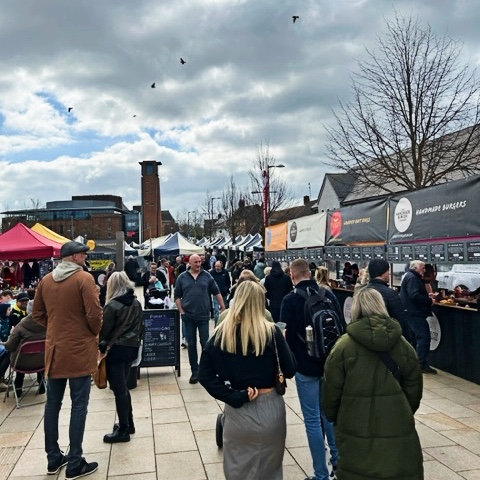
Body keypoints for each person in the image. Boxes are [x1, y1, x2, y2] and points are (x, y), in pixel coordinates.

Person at [322, 287, 423, 480]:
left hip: (355, 429)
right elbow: (414, 391)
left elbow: (330, 397)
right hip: (397, 428)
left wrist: (341, 419)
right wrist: (401, 411)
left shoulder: (342, 348)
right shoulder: (404, 346)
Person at [199, 281, 296, 480]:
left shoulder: (220, 334)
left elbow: (204, 375)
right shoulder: (271, 332)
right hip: (270, 408)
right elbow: (290, 369)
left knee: (237, 469)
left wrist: (233, 396)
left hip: (238, 412)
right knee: (270, 470)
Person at [32, 241, 103, 479]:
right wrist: (91, 333)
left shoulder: (47, 280)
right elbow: (95, 313)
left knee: (52, 405)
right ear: (73, 257)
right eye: (83, 254)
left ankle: (53, 458)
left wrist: (56, 329)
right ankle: (75, 463)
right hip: (79, 350)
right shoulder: (84, 279)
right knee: (79, 405)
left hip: (54, 350)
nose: (85, 257)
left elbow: (37, 314)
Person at [280, 258, 340, 480]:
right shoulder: (328, 294)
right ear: (310, 273)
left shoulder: (291, 300)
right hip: (330, 363)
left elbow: (284, 334)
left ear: (293, 275)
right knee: (329, 414)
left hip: (305, 366)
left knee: (313, 420)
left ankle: (320, 474)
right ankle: (339, 463)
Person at [100, 271, 143, 443]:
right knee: (124, 388)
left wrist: (101, 347)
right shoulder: (136, 303)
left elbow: (104, 332)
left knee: (119, 390)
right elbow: (141, 327)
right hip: (132, 348)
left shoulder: (112, 306)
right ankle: (128, 423)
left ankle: (124, 430)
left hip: (116, 350)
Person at [175, 254, 225, 384]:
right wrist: (182, 311)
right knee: (191, 344)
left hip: (203, 316)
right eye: (196, 262)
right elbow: (177, 296)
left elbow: (216, 292)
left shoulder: (207, 276)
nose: (198, 264)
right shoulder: (182, 277)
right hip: (189, 316)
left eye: (199, 262)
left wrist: (223, 307)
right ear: (190, 263)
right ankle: (195, 371)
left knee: (205, 343)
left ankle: (206, 370)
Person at [400, 260, 437, 374]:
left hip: (411, 312)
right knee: (423, 338)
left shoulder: (411, 276)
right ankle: (422, 364)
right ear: (416, 268)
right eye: (422, 268)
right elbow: (414, 295)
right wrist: (429, 300)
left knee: (416, 338)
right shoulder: (412, 278)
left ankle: (416, 363)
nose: (424, 270)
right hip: (415, 313)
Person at [367, 259, 414, 345]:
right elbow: (401, 321)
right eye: (388, 270)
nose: (389, 273)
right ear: (383, 272)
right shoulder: (390, 294)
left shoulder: (362, 292)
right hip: (387, 340)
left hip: (367, 339)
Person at [1, 312, 46, 398]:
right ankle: (42, 387)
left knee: (19, 359)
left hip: (21, 363)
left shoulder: (21, 326)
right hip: (42, 363)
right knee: (39, 355)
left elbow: (10, 346)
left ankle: (18, 390)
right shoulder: (47, 325)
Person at [209, 260, 231, 325]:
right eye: (216, 266)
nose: (217, 268)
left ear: (221, 266)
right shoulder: (212, 273)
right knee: (216, 309)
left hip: (224, 293)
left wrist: (227, 289)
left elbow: (228, 282)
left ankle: (222, 324)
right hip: (215, 293)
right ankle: (216, 325)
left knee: (223, 309)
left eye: (218, 266)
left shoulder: (225, 272)